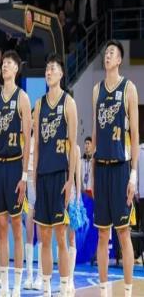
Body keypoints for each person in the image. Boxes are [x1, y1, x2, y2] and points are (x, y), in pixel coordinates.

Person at [92, 40, 139, 297]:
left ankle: (128, 292)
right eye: (106, 53)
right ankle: (103, 292)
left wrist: (133, 176)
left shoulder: (129, 88)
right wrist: (92, 173)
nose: (107, 56)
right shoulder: (96, 90)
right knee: (102, 234)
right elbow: (96, 133)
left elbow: (135, 133)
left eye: (112, 53)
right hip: (101, 168)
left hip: (121, 168)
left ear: (120, 59)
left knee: (123, 233)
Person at [33, 53, 77, 297]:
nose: (48, 72)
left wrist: (71, 180)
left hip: (61, 176)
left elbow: (73, 146)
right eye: (47, 69)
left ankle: (64, 286)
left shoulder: (68, 102)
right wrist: (33, 177)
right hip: (43, 176)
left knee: (61, 234)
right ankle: (47, 287)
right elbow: (37, 145)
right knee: (44, 236)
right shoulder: (39, 104)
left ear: (61, 73)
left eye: (53, 68)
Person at [0, 50, 31, 297]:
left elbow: (28, 140)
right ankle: (4, 284)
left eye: (9, 64)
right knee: (1, 225)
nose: (4, 66)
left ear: (16, 69)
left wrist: (24, 176)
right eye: (3, 63)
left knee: (16, 225)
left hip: (15, 165)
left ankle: (16, 285)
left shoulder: (22, 97)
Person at [24, 130, 42, 291]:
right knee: (29, 234)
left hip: (41, 186)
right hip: (29, 193)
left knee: (42, 234)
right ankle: (29, 275)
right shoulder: (26, 140)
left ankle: (40, 275)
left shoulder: (43, 139)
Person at [67, 144, 82, 296]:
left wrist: (77, 200)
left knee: (71, 237)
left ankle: (70, 278)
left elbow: (78, 177)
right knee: (58, 237)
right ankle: (63, 278)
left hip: (71, 196)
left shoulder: (76, 149)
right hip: (57, 193)